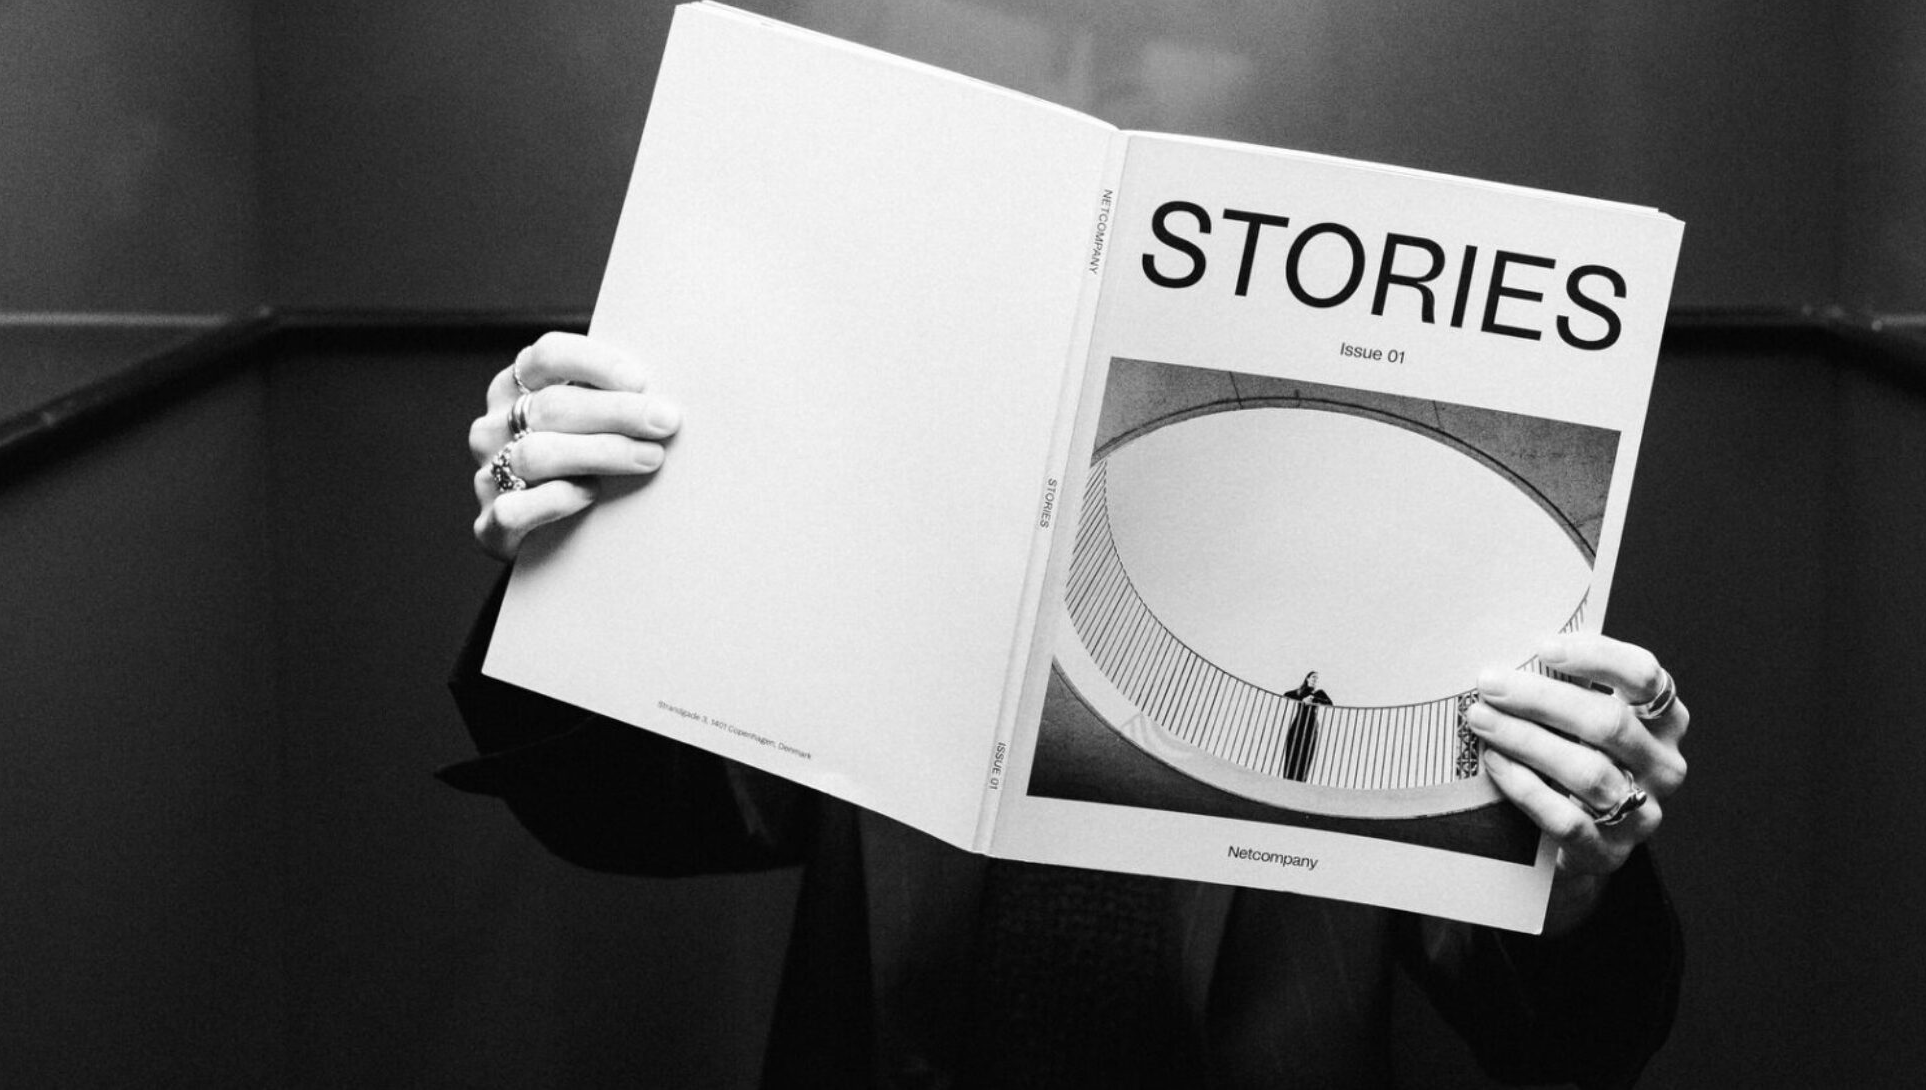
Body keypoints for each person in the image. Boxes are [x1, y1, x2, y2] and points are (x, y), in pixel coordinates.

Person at [444, 333, 1689, 1089]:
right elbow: (619, 805)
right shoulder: (898, 585)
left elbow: (1569, 1041)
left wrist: (1583, 873)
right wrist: (567, 554)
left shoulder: (1390, 654)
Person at [1280, 672, 1333, 782]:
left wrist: (1314, 699)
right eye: (1313, 677)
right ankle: (1288, 778)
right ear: (1307, 678)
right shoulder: (1300, 691)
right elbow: (1286, 695)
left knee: (1307, 752)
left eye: (1317, 678)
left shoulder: (1319, 693)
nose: (1315, 679)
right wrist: (1303, 700)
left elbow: (1330, 704)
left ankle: (1301, 779)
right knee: (1293, 749)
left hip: (1311, 725)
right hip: (1299, 723)